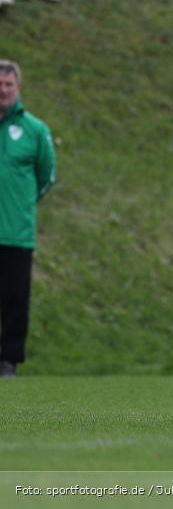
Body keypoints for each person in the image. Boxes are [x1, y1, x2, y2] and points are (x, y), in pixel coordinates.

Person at [0, 60, 56, 378]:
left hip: (16, 231)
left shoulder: (35, 130)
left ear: (18, 88)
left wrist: (21, 204)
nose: (3, 90)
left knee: (15, 301)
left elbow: (46, 175)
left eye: (9, 84)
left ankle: (8, 360)